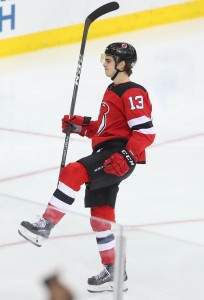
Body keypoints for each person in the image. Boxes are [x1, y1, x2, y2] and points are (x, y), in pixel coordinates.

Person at [18, 42, 156, 293]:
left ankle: (45, 225)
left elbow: (145, 132)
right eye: (104, 58)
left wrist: (127, 154)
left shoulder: (132, 92)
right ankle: (114, 271)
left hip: (118, 156)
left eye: (109, 59)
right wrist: (81, 125)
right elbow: (107, 128)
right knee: (101, 218)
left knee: (72, 171)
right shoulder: (112, 89)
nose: (104, 63)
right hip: (109, 153)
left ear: (122, 64)